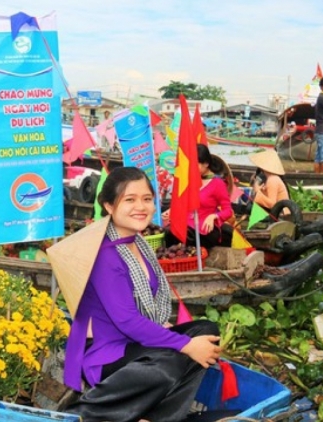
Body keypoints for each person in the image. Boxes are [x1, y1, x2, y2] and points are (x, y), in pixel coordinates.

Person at [49, 166, 221, 422]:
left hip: (133, 343)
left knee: (207, 331)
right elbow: (127, 320)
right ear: (108, 206)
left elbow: (145, 313)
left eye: (147, 199)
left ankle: (152, 413)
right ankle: (93, 412)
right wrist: (184, 344)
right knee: (170, 364)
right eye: (129, 200)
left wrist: (182, 339)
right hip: (105, 351)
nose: (140, 207)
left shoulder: (138, 244)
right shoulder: (105, 255)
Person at [163, 144, 235, 248]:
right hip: (188, 223)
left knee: (178, 233)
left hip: (205, 229)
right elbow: (185, 203)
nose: (191, 168)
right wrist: (171, 210)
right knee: (167, 231)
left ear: (206, 164)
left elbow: (228, 211)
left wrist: (214, 216)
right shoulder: (191, 181)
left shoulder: (218, 184)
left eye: (195, 164)